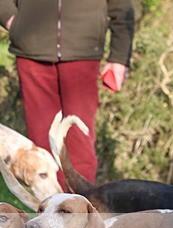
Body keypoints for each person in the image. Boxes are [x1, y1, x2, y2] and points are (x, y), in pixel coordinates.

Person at [0, 0, 135, 188]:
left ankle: (80, 209)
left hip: (84, 52)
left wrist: (119, 56)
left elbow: (121, 6)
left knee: (80, 142)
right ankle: (48, 212)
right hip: (31, 50)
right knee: (41, 144)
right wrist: (13, 21)